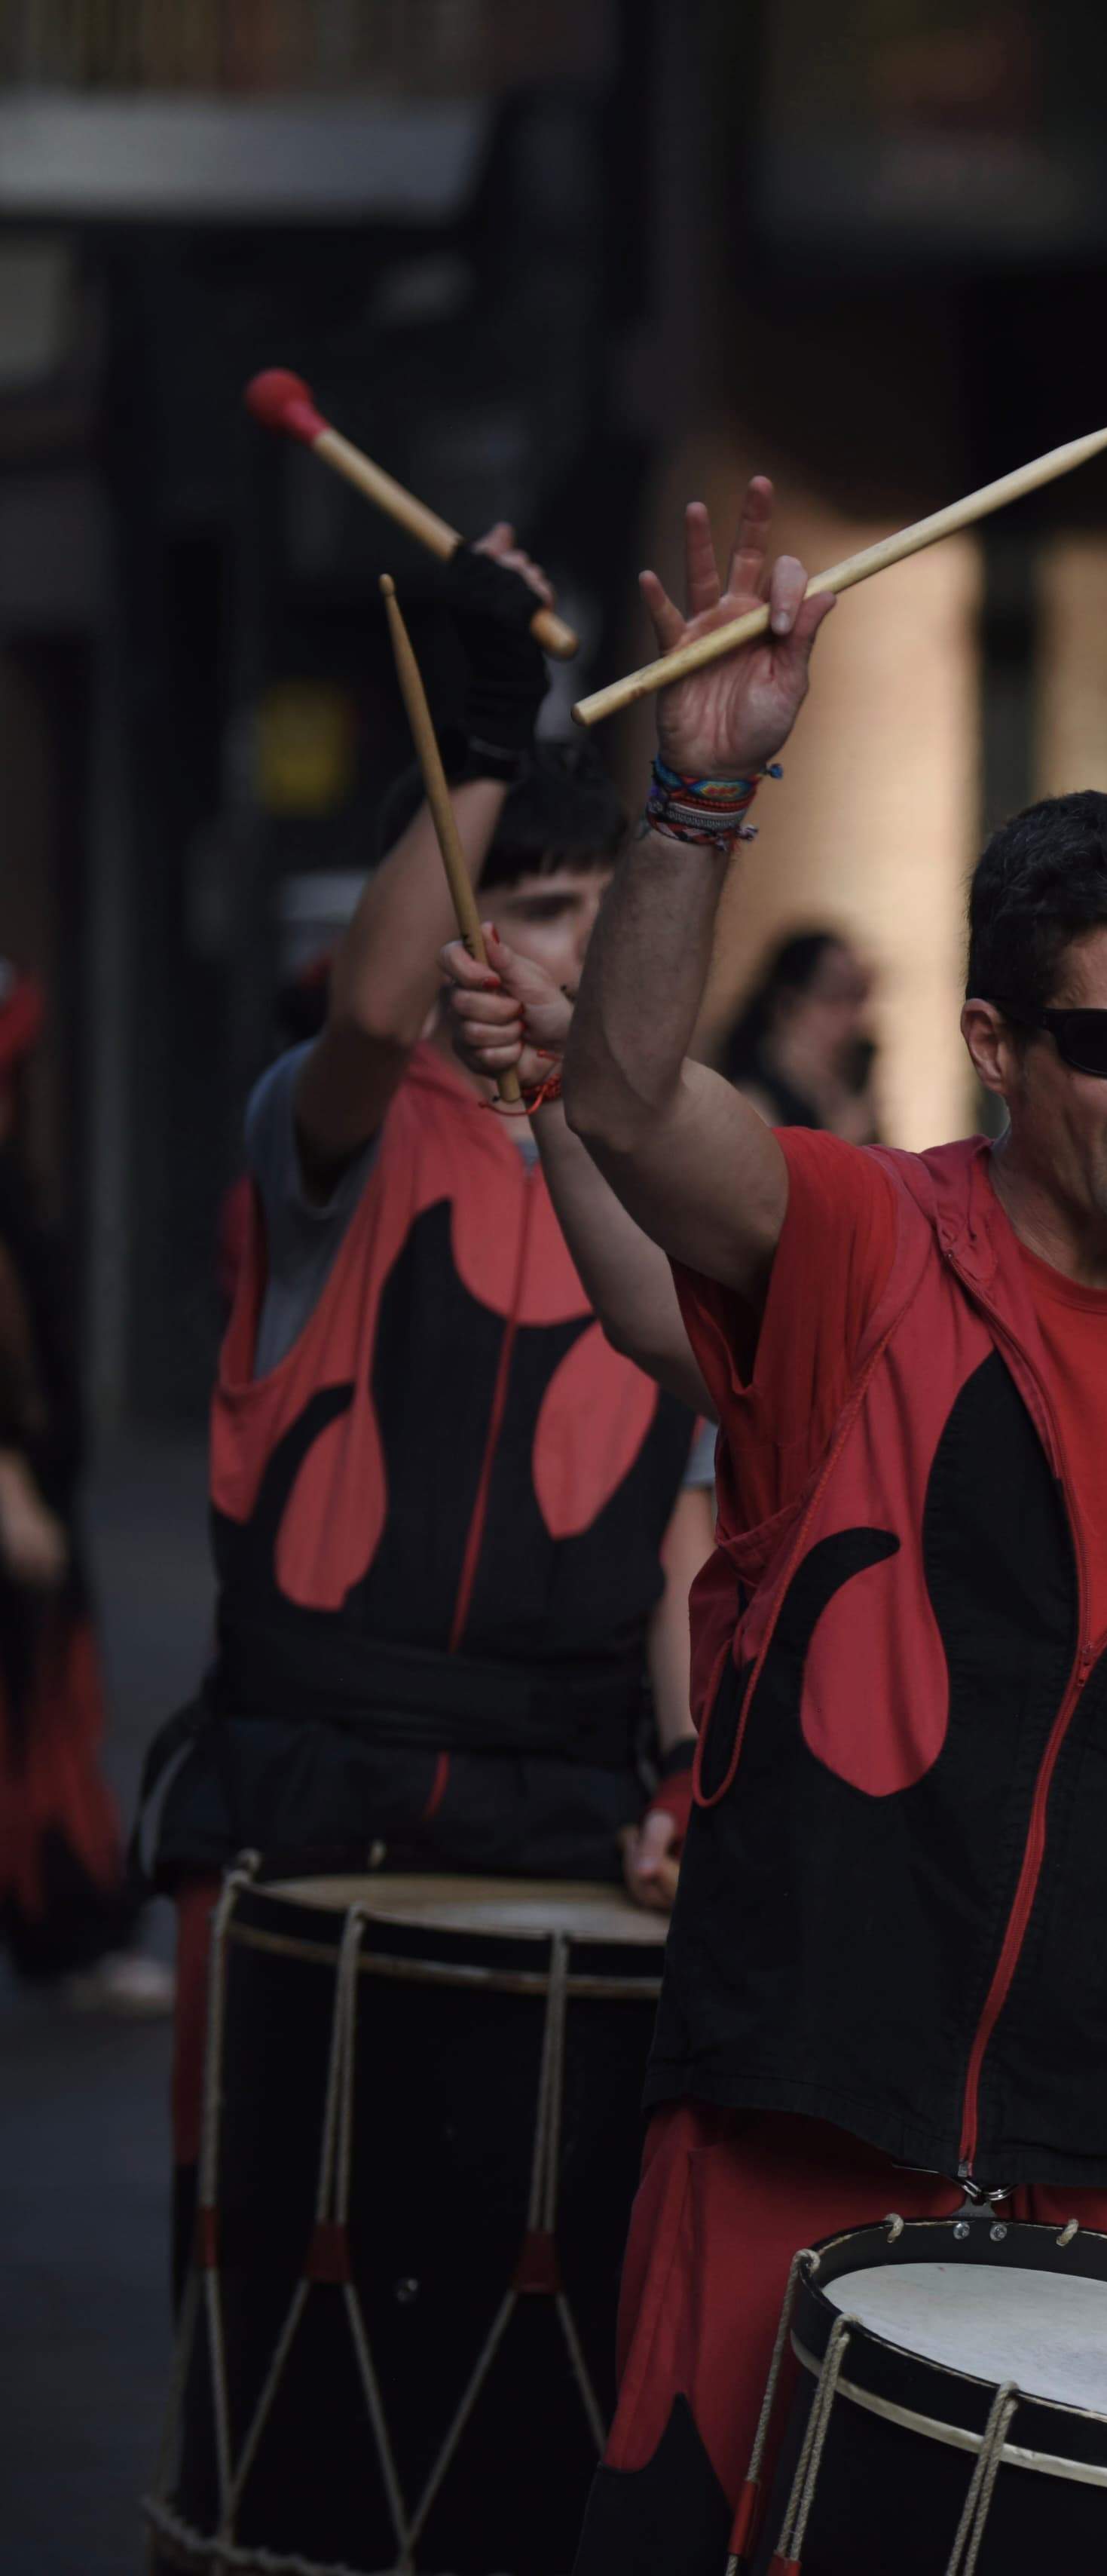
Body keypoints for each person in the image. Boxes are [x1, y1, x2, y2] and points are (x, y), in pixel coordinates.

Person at [539, 485, 1107, 2569]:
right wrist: (698, 797)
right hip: (808, 2099)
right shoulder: (863, 1243)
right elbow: (619, 1099)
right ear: (993, 1048)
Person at [140, 538, 707, 2250]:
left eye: (605, 920)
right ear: (463, 917)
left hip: (565, 1803)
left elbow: (687, 1534)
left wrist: (684, 1779)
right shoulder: (333, 1132)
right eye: (539, 908)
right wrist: (476, 745)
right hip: (308, 1789)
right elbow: (371, 1014)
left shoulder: (678, 1190)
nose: (573, 953)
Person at [0, 955, 159, 2014]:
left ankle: (70, 1930)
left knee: (47, 1717)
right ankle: (68, 1932)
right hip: (19, 1484)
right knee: (36, 1726)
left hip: (35, 1477)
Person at [711, 924, 878, 1140]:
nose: (852, 1017)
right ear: (786, 1005)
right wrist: (845, 1140)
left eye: (858, 996)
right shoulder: (751, 1104)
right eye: (835, 997)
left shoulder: (847, 1085)